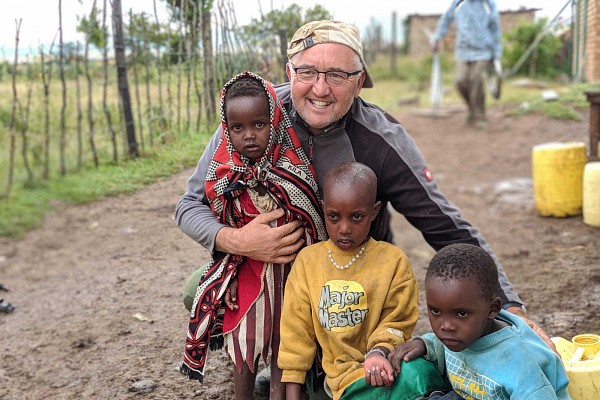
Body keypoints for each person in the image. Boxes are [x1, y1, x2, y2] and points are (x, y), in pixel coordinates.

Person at [175, 19, 553, 395]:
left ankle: (324, 367)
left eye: (338, 75)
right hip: (274, 268)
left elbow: (444, 225)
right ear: (290, 72)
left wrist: (512, 308)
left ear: (360, 81)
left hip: (351, 282)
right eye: (307, 72)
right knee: (201, 288)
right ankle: (277, 357)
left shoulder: (381, 140)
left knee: (355, 363)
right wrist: (237, 241)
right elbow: (189, 204)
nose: (320, 89)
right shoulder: (254, 114)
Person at [179, 71, 327, 400]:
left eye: (258, 125)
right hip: (245, 272)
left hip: (292, 274)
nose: (248, 136)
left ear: (273, 121)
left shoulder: (293, 164)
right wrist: (229, 266)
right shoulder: (224, 172)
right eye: (237, 128)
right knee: (243, 343)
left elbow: (313, 217)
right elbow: (213, 216)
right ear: (226, 128)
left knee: (283, 343)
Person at [278, 161, 447, 400]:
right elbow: (296, 331)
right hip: (343, 378)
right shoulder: (308, 263)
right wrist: (293, 393)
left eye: (356, 217)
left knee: (420, 373)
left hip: (390, 364)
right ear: (323, 208)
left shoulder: (392, 261)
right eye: (333, 217)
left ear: (374, 212)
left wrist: (378, 353)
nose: (344, 228)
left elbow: (398, 319)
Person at [388, 243, 571, 399]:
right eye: (435, 311)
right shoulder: (464, 333)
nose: (446, 326)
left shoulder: (521, 364)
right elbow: (442, 345)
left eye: (460, 314)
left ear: (493, 309)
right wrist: (425, 344)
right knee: (411, 368)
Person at [431, 0, 502, 128]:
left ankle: (480, 116)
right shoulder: (458, 3)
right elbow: (446, 19)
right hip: (462, 51)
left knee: (476, 80)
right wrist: (437, 38)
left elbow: (495, 29)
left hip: (483, 51)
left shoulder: (488, 4)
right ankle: (472, 109)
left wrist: (496, 52)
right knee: (460, 81)